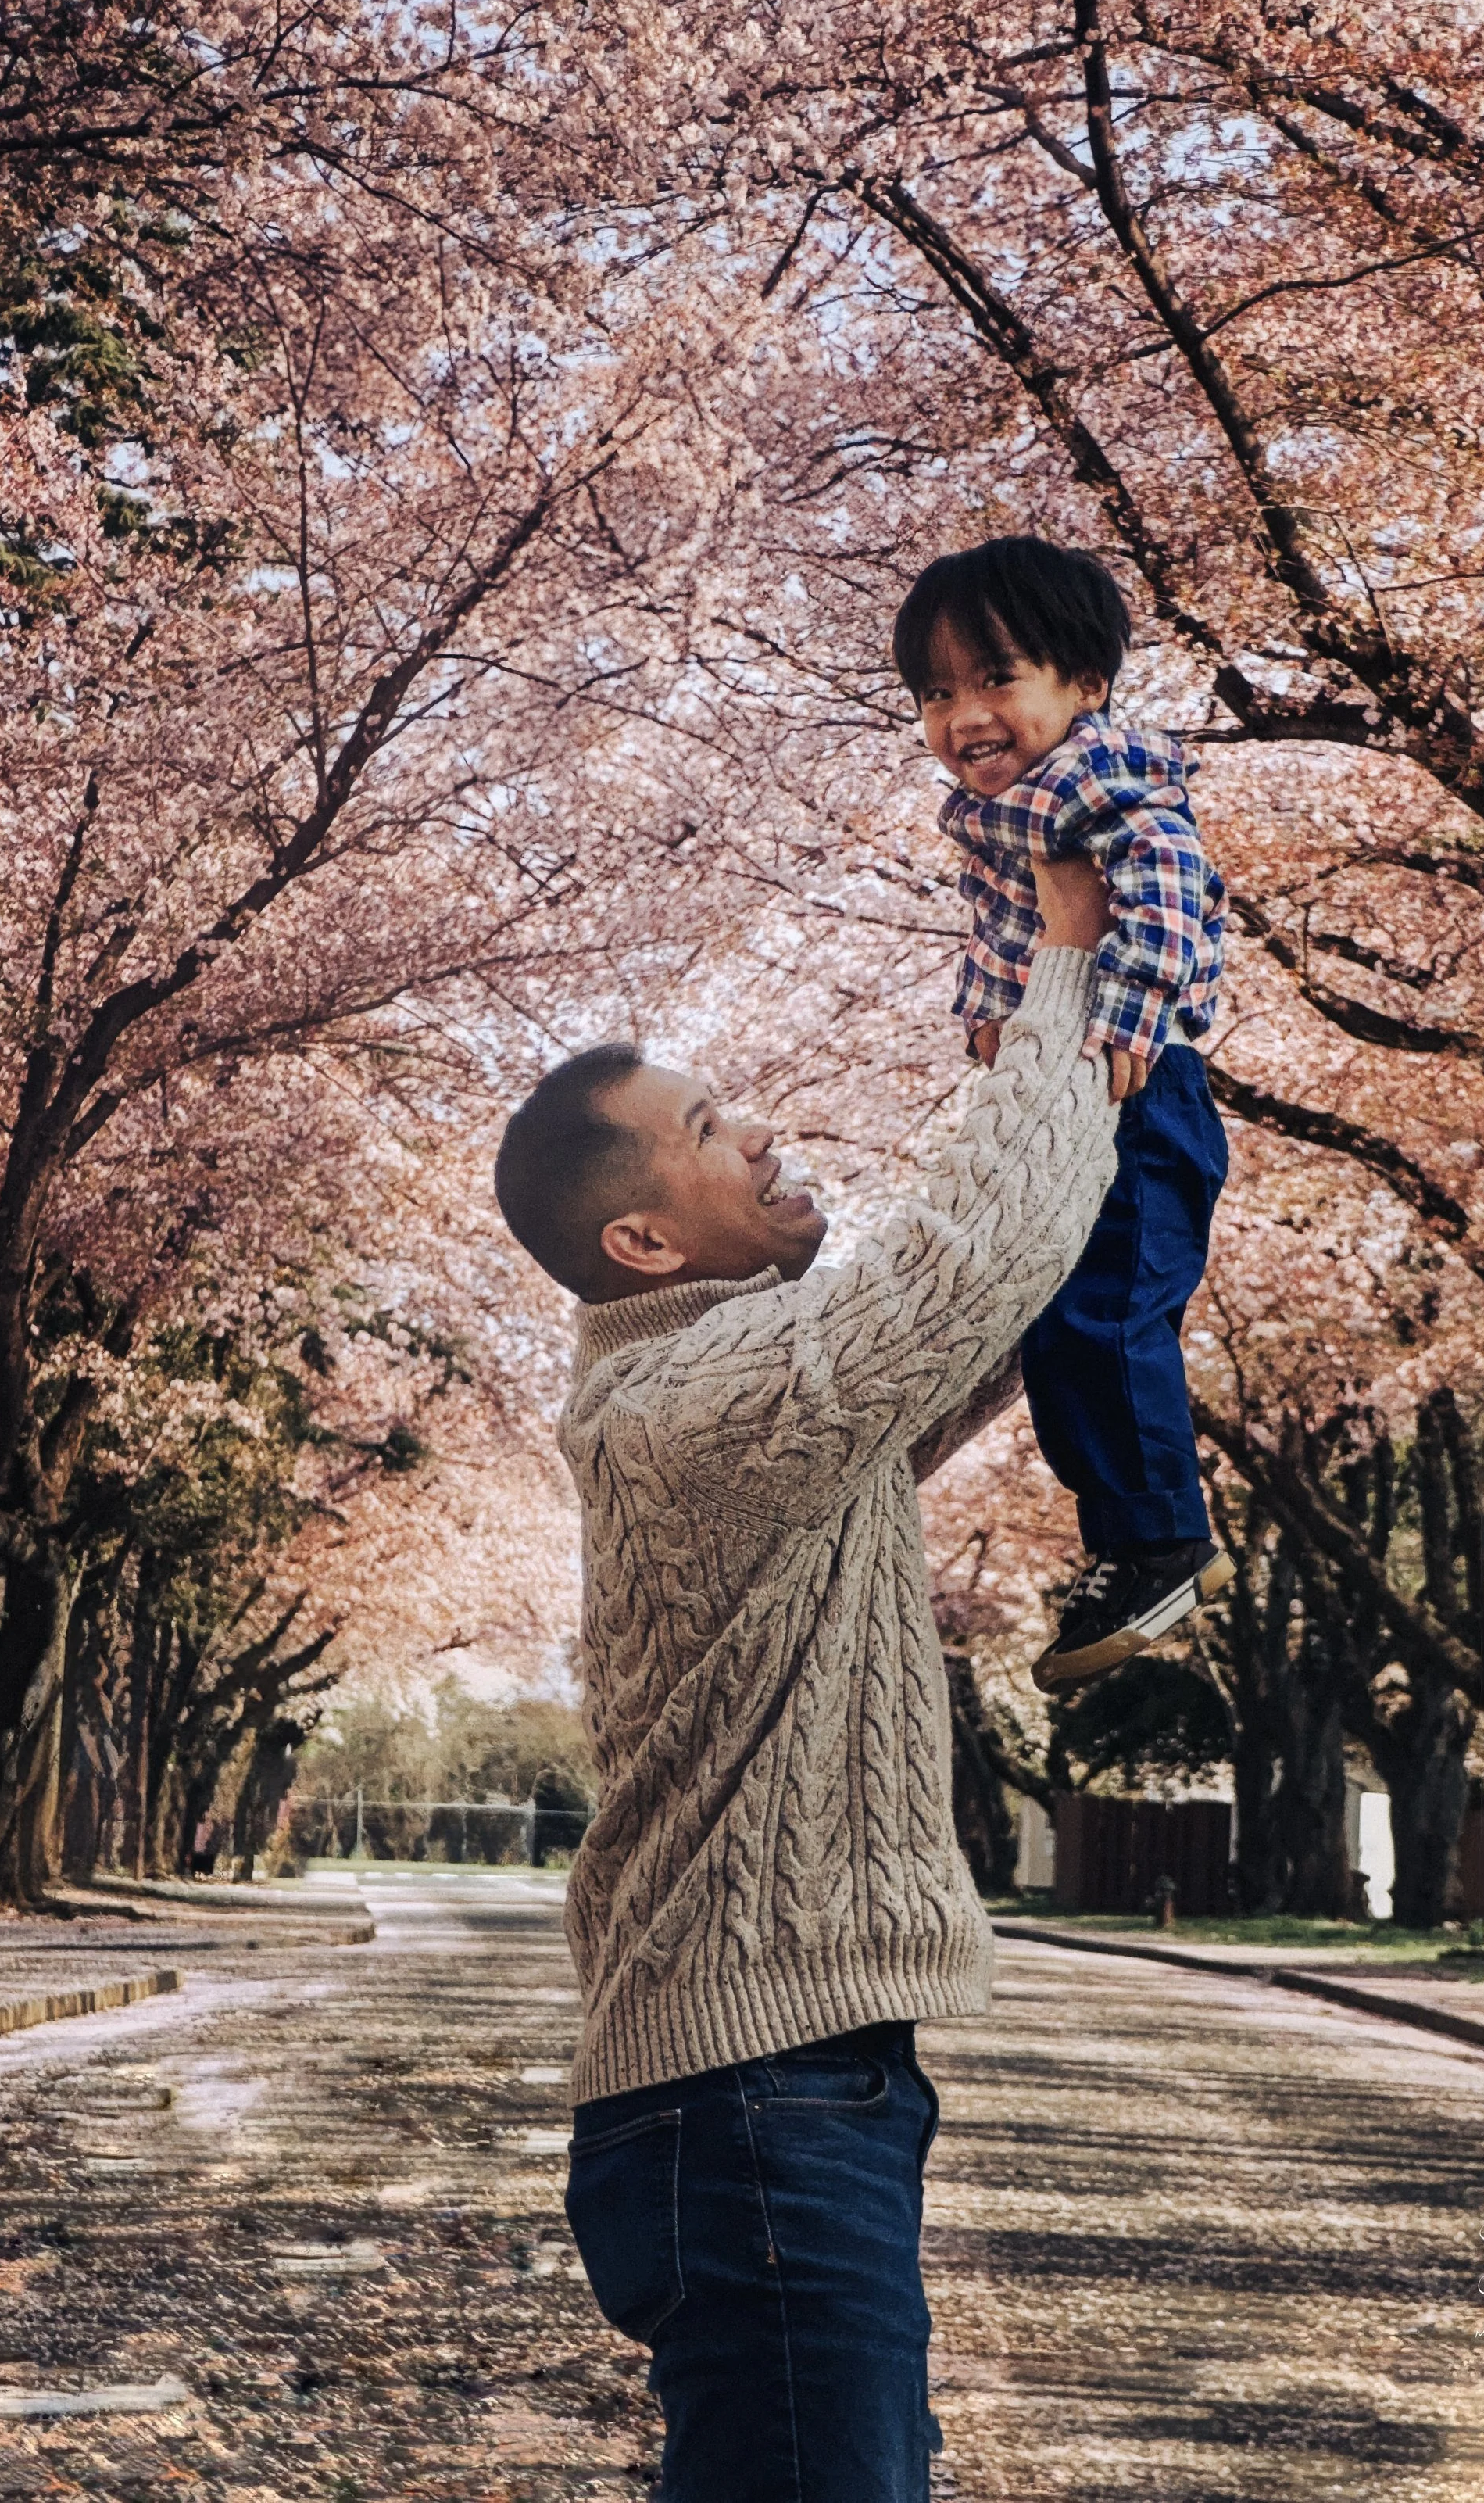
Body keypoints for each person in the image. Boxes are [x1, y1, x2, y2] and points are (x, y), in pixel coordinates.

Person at [492, 856, 1118, 2503]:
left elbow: (991, 1313)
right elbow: (974, 1257)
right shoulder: (691, 1404)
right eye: (710, 1130)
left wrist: (1089, 1044)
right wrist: (1060, 952)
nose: (760, 1132)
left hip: (785, 2089)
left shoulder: (747, 1401)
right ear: (639, 1235)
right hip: (748, 2103)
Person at [892, 533, 1235, 1696]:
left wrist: (1134, 1007)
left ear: (1084, 684)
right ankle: (1123, 1541)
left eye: (996, 678)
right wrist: (993, 1018)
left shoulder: (1102, 778)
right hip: (1083, 1079)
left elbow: (1174, 884)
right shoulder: (999, 812)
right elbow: (1003, 931)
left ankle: (1158, 1540)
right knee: (1057, 1319)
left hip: (1146, 1090)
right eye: (936, 691)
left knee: (1107, 1314)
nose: (964, 714)